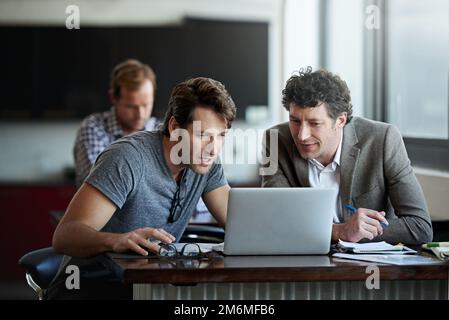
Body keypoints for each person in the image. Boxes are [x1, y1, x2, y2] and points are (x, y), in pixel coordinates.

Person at [49, 77, 235, 299]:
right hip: (89, 285)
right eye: (203, 135)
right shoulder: (127, 158)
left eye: (221, 136)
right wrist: (116, 240)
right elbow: (64, 236)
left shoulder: (206, 164)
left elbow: (240, 224)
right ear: (175, 127)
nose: (214, 149)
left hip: (147, 288)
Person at [261, 67, 432, 245]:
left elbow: (419, 227)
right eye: (295, 121)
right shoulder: (274, 140)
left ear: (341, 120)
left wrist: (359, 232)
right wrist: (338, 231)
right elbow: (275, 219)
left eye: (315, 123)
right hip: (304, 262)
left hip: (368, 268)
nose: (302, 135)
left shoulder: (383, 139)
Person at [73, 59, 159, 187]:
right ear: (113, 98)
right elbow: (100, 184)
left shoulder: (160, 130)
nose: (140, 115)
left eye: (146, 105)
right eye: (131, 106)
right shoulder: (93, 128)